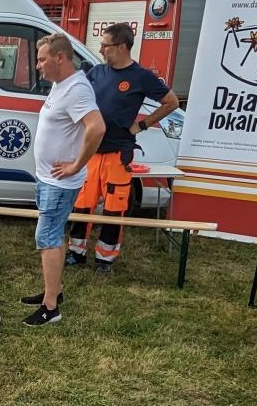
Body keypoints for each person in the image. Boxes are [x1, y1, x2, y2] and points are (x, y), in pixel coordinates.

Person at [67, 22, 179, 273]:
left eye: (105, 45)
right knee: (82, 204)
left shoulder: (141, 77)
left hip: (119, 153)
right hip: (91, 151)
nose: (101, 49)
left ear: (121, 47)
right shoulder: (96, 72)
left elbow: (170, 102)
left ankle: (105, 258)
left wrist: (142, 125)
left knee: (113, 209)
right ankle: (76, 252)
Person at [20, 34, 104, 327]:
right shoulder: (61, 85)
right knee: (49, 237)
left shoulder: (77, 90)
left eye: (43, 59)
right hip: (47, 178)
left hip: (59, 183)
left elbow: (97, 128)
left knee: (48, 238)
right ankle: (52, 291)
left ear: (60, 58)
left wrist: (76, 165)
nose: (39, 65)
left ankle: (51, 308)